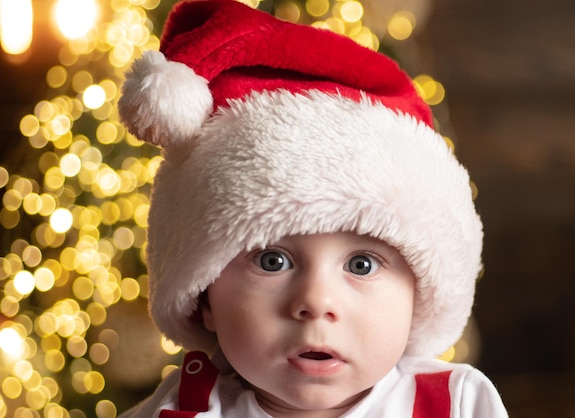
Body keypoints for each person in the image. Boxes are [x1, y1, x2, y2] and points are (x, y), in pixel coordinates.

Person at [117, 0, 508, 416]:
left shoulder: (455, 404)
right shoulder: (185, 408)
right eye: (271, 260)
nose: (317, 301)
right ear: (205, 298)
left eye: (361, 264)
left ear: (419, 294)